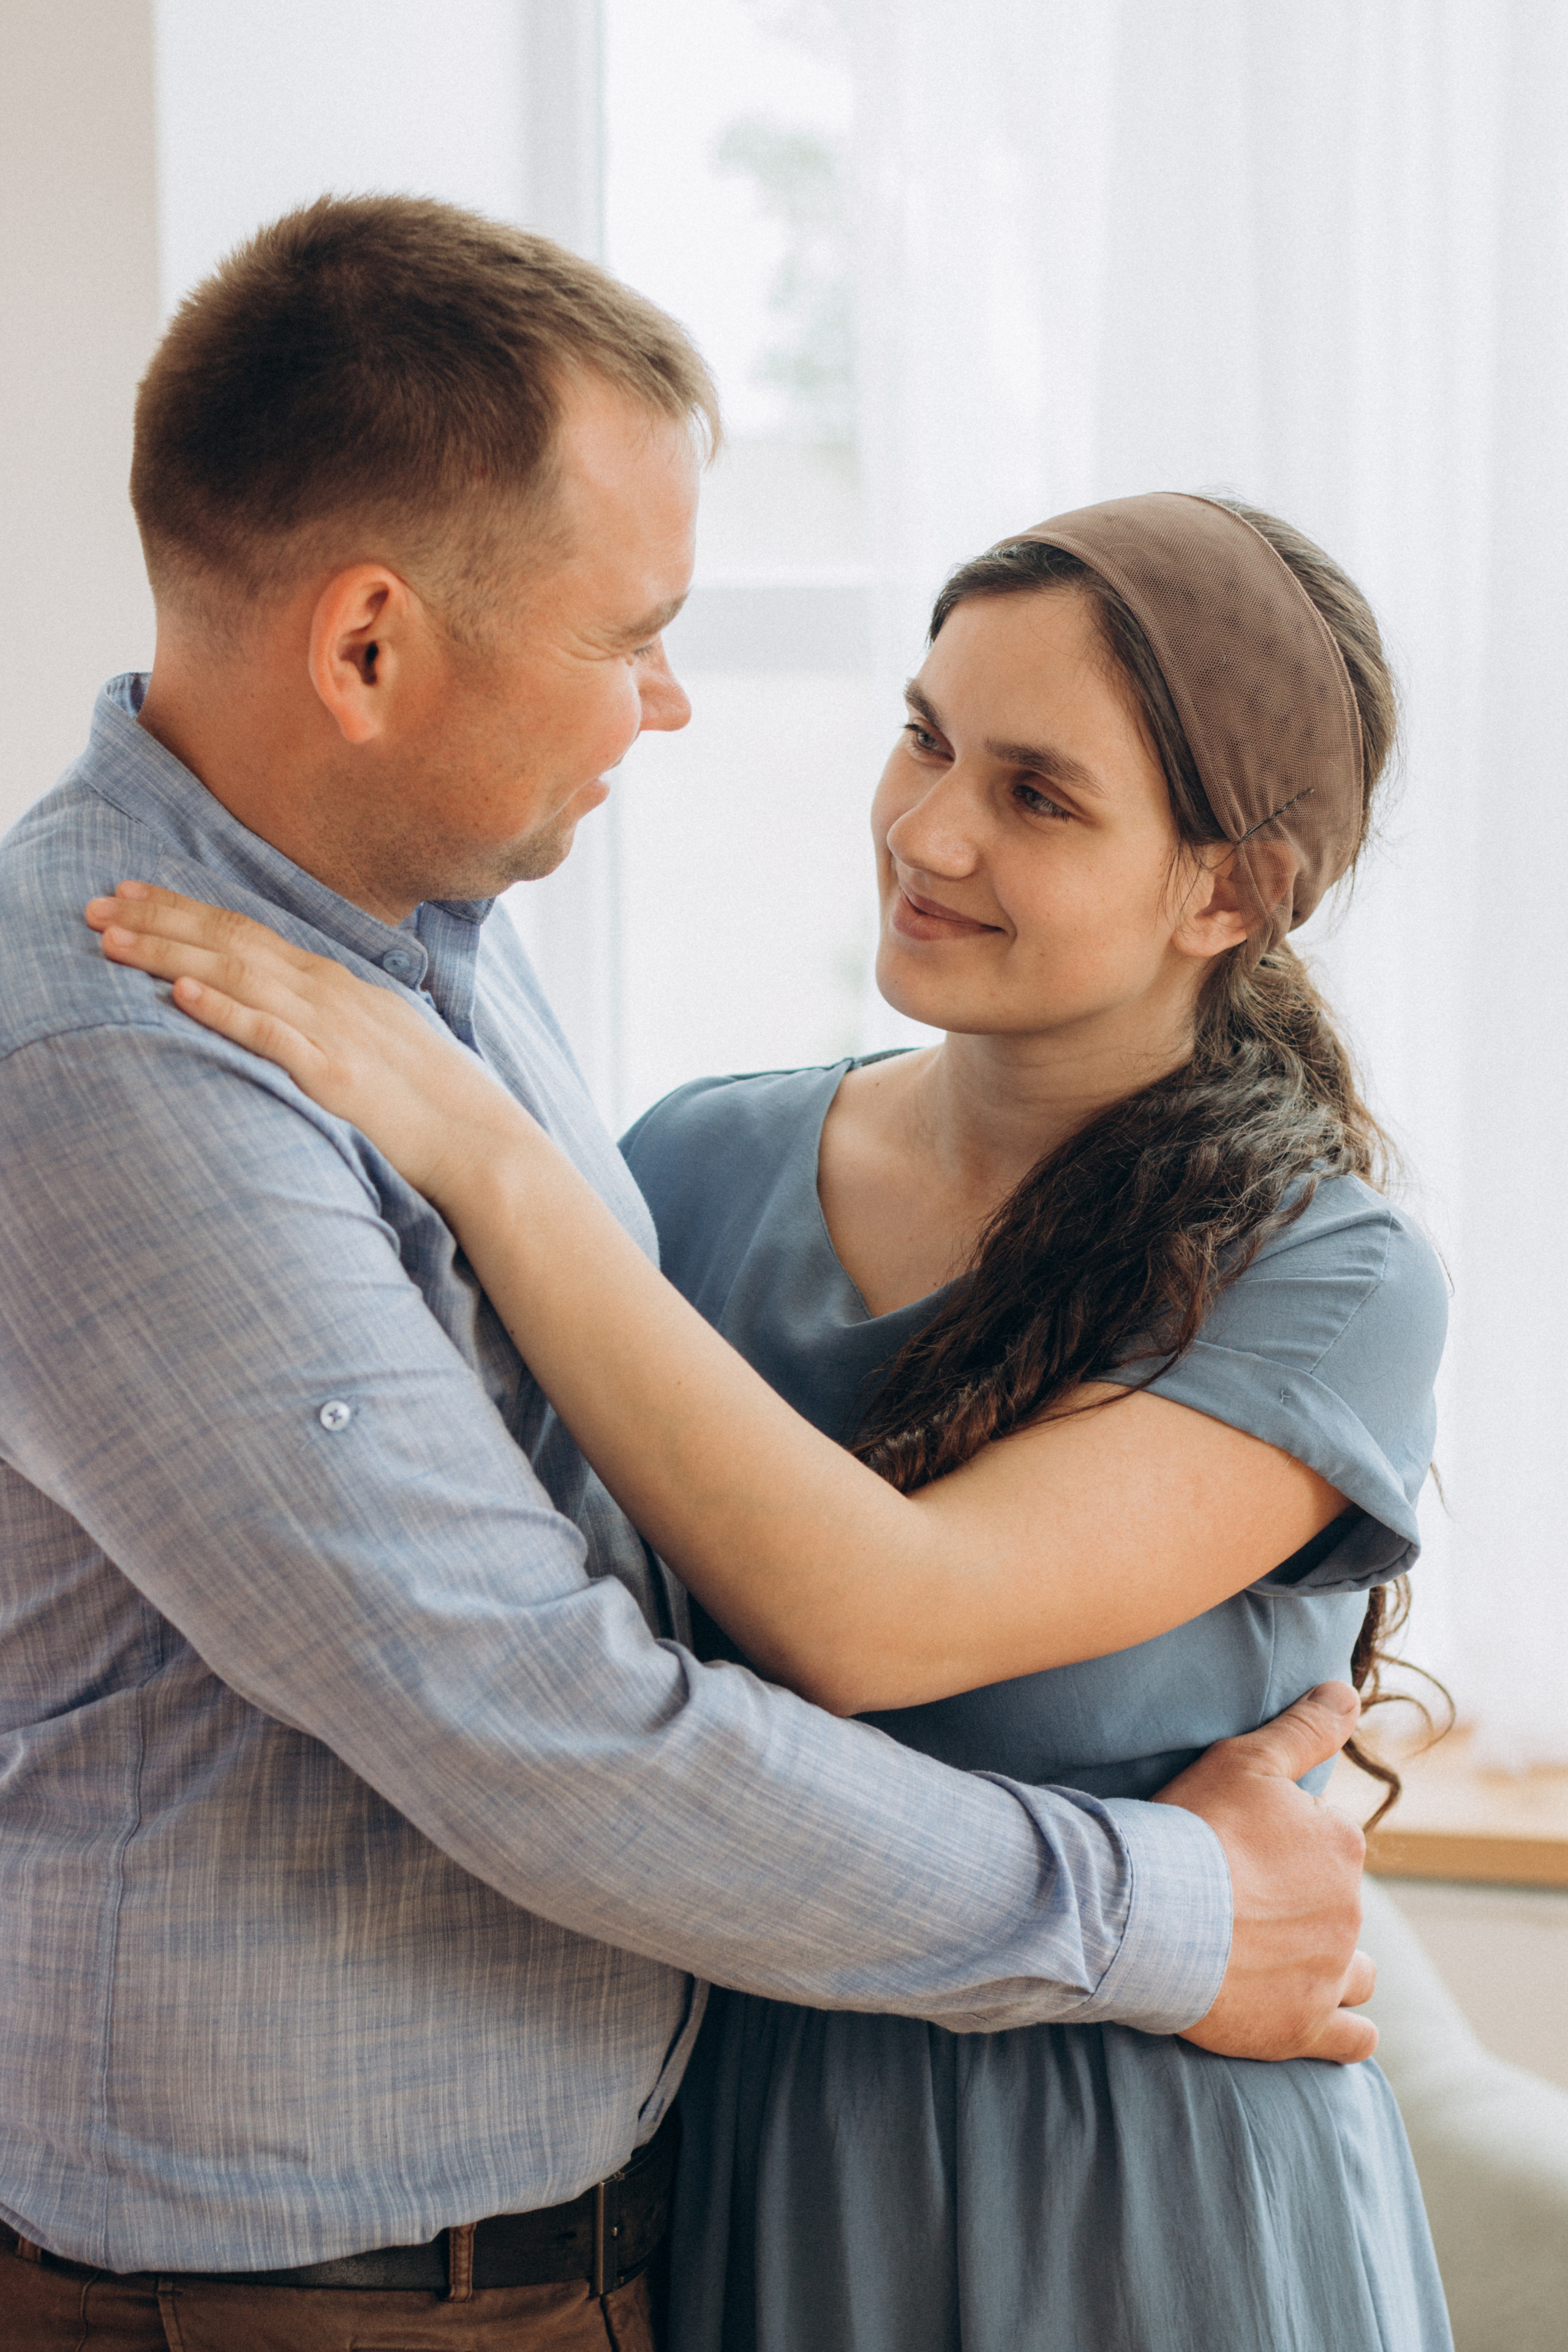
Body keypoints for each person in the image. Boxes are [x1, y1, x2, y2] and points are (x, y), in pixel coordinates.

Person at [0, 192, 1373, 2352]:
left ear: (1235, 891)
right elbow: (547, 1723)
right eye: (623, 630)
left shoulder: (424, 935)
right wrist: (1179, 1918)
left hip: (757, 2219)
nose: (668, 704)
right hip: (323, 2298)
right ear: (368, 649)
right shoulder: (123, 1065)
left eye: (1037, 790)